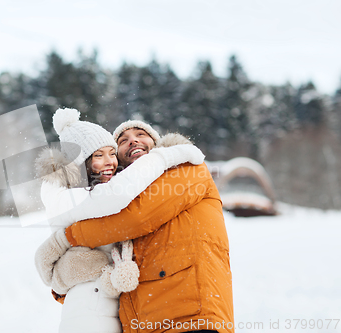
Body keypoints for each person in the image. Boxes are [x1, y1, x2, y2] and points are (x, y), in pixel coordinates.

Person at [38, 119, 234, 333]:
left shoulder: (185, 168)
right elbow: (109, 264)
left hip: (191, 315)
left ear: (156, 142)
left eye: (140, 134)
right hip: (143, 322)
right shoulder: (118, 199)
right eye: (123, 140)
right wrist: (67, 276)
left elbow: (137, 218)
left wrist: (69, 237)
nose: (132, 140)